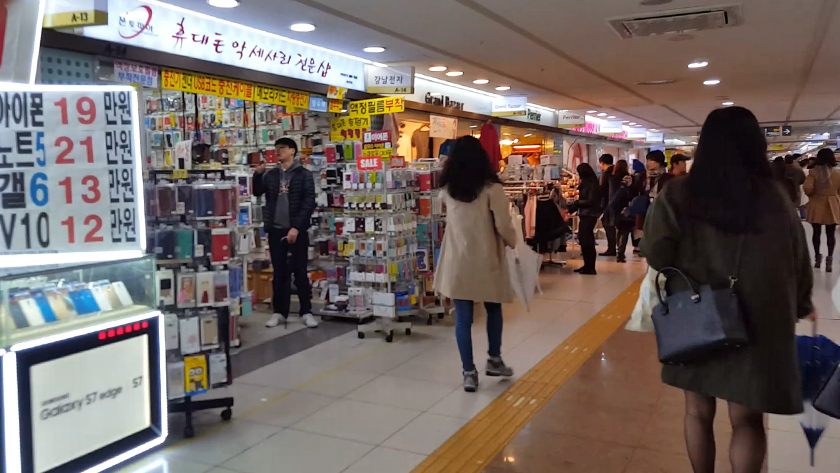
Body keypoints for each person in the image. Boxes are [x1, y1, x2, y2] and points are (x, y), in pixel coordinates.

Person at [642, 106, 814, 473]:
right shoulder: (777, 198)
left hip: (697, 315)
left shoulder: (678, 195)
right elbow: (799, 260)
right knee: (748, 420)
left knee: (697, 412)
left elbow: (655, 251)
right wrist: (800, 304)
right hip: (760, 319)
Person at [433, 136, 517, 393]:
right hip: (486, 259)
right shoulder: (492, 189)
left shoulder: (447, 191)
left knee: (463, 319)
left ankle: (468, 372)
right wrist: (514, 243)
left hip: (458, 261)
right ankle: (494, 359)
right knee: (493, 309)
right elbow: (503, 225)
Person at [254, 138, 319, 328]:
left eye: (282, 148)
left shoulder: (304, 175)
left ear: (292, 151)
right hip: (276, 230)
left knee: (300, 272)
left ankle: (306, 311)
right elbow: (257, 192)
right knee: (280, 273)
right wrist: (257, 175)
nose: (278, 152)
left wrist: (296, 227)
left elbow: (308, 203)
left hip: (297, 231)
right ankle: (279, 312)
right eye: (276, 149)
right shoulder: (272, 175)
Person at [803, 148, 840, 272]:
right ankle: (829, 260)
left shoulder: (813, 172)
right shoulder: (837, 173)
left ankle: (817, 258)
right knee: (831, 234)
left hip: (817, 204)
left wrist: (814, 194)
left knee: (816, 233)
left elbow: (808, 188)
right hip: (832, 205)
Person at [568, 163, 601, 275]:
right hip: (586, 214)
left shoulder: (592, 184)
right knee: (584, 239)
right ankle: (587, 265)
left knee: (587, 241)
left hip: (589, 215)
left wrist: (577, 204)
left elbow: (591, 200)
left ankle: (590, 267)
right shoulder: (588, 183)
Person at [605, 160, 637, 263]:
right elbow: (634, 193)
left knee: (619, 229)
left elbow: (611, 195)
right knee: (625, 230)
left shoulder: (612, 179)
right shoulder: (630, 178)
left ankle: (619, 251)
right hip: (627, 207)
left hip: (615, 207)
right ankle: (621, 253)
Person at [598, 154, 617, 257]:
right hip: (616, 203)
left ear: (603, 163)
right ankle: (614, 248)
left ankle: (611, 248)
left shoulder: (606, 174)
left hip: (607, 204)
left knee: (608, 226)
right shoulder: (617, 171)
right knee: (613, 227)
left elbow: (602, 190)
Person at [786, 153, 807, 218]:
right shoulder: (797, 168)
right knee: (796, 203)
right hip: (795, 189)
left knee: (787, 204)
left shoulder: (781, 169)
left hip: (784, 189)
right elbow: (803, 179)